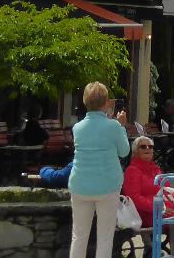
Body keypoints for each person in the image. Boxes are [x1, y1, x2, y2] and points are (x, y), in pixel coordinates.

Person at [67, 81, 130, 258]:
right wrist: (121, 126)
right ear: (105, 103)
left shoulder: (77, 128)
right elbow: (124, 151)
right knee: (105, 237)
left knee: (78, 236)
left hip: (80, 185)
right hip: (107, 185)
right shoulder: (114, 126)